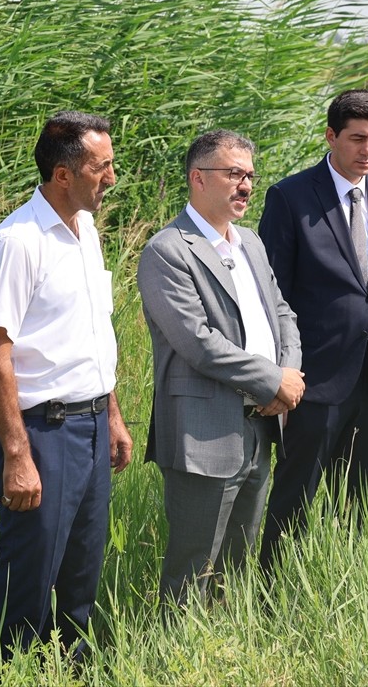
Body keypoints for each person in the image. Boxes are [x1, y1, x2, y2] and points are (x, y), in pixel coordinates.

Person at [0, 110, 134, 659]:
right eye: (102, 167)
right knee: (28, 577)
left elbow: (92, 332)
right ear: (63, 174)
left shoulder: (86, 230)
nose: (112, 177)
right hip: (43, 433)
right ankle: (6, 670)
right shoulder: (18, 242)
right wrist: (17, 455)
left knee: (81, 578)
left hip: (90, 427)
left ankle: (71, 669)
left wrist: (111, 414)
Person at [137, 129, 304, 609]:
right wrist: (273, 379)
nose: (246, 185)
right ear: (198, 178)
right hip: (203, 432)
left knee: (237, 561)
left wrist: (287, 379)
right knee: (192, 565)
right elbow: (199, 344)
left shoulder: (250, 243)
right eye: (234, 173)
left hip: (260, 425)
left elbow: (283, 316)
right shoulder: (168, 250)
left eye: (250, 175)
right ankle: (173, 655)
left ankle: (224, 651)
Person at [257, 89, 368, 572]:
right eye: (357, 139)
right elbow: (273, 295)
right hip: (314, 377)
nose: (367, 151)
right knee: (297, 493)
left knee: (356, 494)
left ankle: (339, 580)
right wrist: (280, 374)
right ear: (331, 136)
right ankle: (273, 591)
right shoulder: (290, 196)